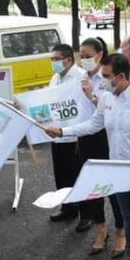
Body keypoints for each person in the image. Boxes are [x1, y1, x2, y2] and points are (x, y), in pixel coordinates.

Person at [47, 53, 130, 260]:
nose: (102, 81)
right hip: (118, 171)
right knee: (128, 216)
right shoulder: (107, 99)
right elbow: (93, 124)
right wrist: (63, 131)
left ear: (122, 76)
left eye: (107, 77)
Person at [78, 37, 125, 257]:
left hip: (105, 138)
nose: (84, 60)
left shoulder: (107, 78)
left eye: (88, 56)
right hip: (85, 137)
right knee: (92, 186)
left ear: (100, 54)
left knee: (112, 186)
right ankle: (100, 229)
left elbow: (110, 108)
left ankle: (121, 232)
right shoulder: (78, 77)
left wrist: (91, 95)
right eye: (81, 56)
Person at [46, 43, 88, 230]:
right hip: (57, 135)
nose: (53, 63)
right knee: (61, 175)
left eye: (56, 59)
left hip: (75, 135)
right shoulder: (55, 78)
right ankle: (68, 208)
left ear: (68, 60)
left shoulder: (81, 77)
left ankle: (87, 215)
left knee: (79, 176)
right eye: (52, 59)